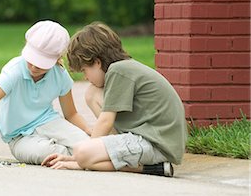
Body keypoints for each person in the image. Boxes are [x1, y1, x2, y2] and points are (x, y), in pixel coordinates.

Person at [42, 22, 187, 177]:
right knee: (92, 94)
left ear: (97, 62)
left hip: (157, 144)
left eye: (85, 70)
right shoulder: (122, 68)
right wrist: (77, 158)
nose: (85, 77)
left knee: (82, 152)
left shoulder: (118, 71)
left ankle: (144, 167)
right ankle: (155, 168)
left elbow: (106, 121)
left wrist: (81, 156)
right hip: (157, 140)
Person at [0, 20, 90, 164]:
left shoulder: (60, 75)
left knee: (87, 144)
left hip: (49, 122)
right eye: (32, 59)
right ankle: (81, 159)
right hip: (19, 137)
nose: (34, 67)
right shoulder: (14, 71)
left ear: (57, 58)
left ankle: (83, 156)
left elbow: (71, 114)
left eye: (41, 63)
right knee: (48, 153)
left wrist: (88, 130)